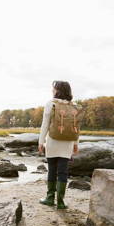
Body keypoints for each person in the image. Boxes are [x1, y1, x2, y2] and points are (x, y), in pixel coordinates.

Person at [38, 80, 79, 209]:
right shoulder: (75, 106)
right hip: (67, 143)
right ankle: (60, 202)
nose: (52, 90)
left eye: (54, 88)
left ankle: (50, 198)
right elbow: (77, 127)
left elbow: (45, 124)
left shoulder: (51, 103)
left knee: (52, 170)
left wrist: (40, 141)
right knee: (63, 172)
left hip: (52, 141)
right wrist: (76, 143)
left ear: (58, 90)